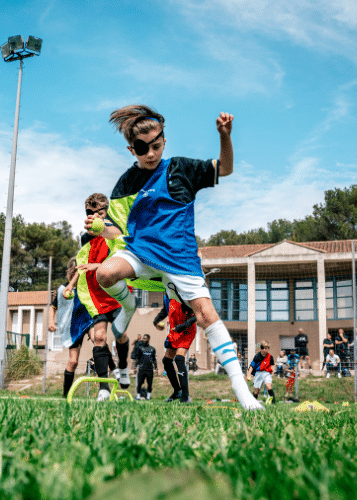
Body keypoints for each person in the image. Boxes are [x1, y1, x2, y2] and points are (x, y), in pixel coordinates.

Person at [90, 105, 262, 410]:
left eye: (156, 146)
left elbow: (226, 168)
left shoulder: (182, 168)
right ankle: (128, 304)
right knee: (104, 274)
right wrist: (103, 229)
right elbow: (117, 231)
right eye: (143, 149)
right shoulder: (125, 184)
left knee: (207, 315)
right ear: (132, 149)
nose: (151, 153)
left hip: (180, 258)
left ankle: (244, 394)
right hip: (141, 252)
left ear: (164, 141)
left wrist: (225, 136)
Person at [73, 193, 129, 402]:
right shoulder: (86, 237)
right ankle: (103, 388)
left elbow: (122, 252)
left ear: (107, 212)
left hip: (116, 290)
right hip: (97, 294)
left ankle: (122, 369)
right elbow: (84, 259)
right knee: (99, 338)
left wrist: (100, 266)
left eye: (99, 212)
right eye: (90, 213)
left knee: (120, 334)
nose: (95, 216)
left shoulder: (115, 230)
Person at [48, 257, 95, 398]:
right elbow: (53, 307)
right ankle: (65, 395)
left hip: (88, 320)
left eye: (77, 272)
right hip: (73, 327)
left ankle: (100, 366)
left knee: (96, 338)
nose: (74, 275)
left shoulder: (86, 287)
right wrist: (51, 321)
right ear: (69, 273)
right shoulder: (64, 289)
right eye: (73, 272)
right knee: (73, 361)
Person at [154, 294, 197, 403]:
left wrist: (182, 326)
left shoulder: (184, 290)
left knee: (179, 358)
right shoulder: (167, 292)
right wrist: (156, 321)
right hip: (174, 330)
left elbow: (197, 314)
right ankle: (177, 391)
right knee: (167, 361)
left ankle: (185, 396)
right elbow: (165, 310)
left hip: (186, 330)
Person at [135, 334, 158, 400]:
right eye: (143, 338)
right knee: (139, 383)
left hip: (149, 369)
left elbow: (154, 359)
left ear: (148, 339)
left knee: (149, 384)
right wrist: (135, 367)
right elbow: (138, 358)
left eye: (145, 338)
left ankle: (148, 397)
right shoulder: (140, 348)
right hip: (142, 368)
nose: (143, 339)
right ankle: (138, 396)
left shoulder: (152, 349)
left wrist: (156, 368)